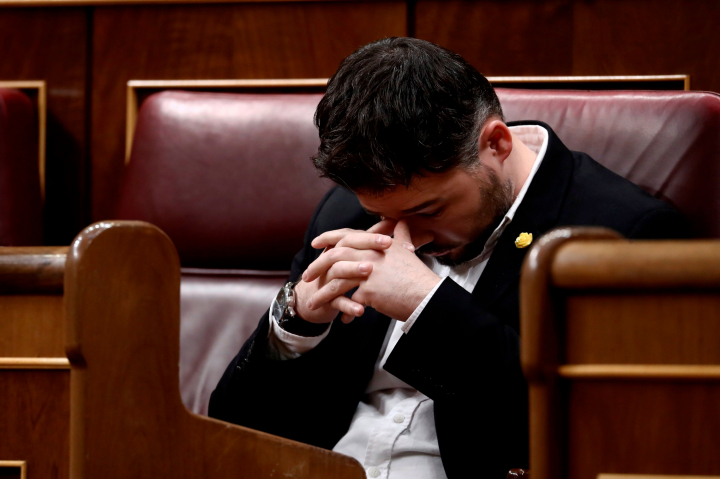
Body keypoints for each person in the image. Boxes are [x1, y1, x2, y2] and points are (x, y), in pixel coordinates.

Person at [209, 37, 685, 478]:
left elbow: (603, 433)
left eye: (429, 210)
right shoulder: (346, 213)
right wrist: (294, 327)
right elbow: (234, 430)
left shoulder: (625, 234)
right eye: (382, 214)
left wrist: (427, 305)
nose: (407, 237)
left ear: (496, 144)